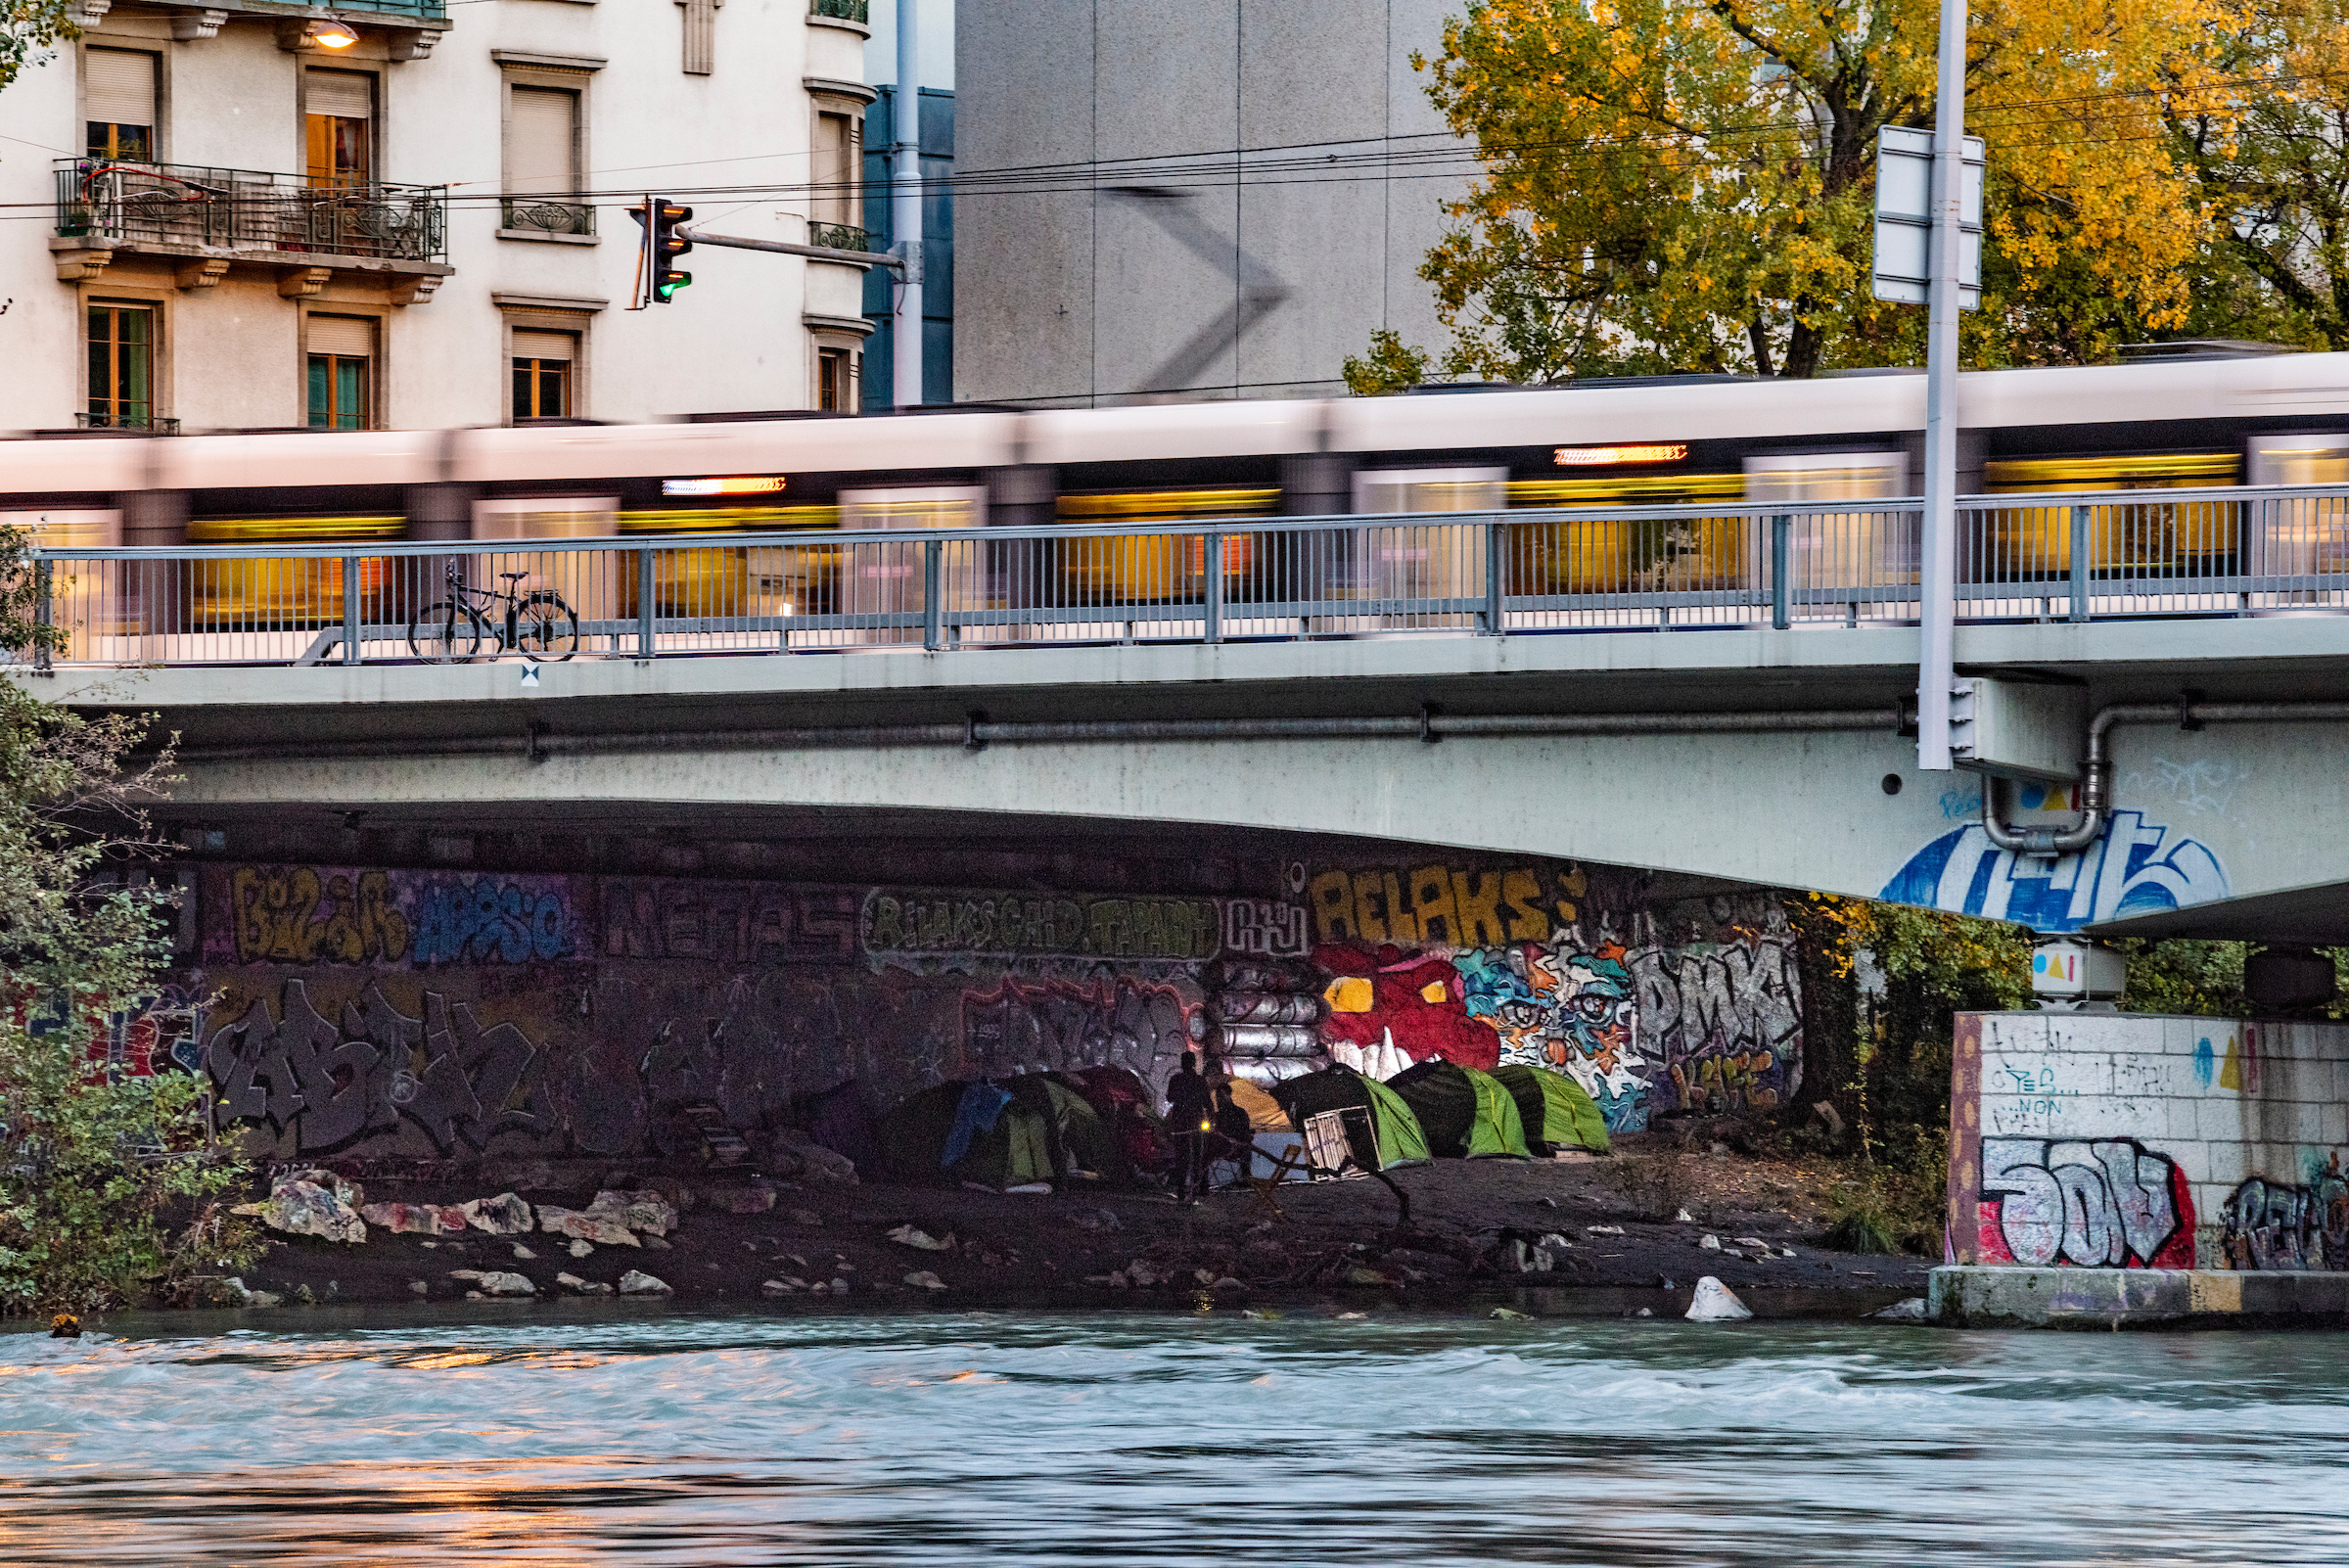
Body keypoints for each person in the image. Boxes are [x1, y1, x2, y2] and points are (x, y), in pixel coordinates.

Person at [1165, 1052, 1214, 1205]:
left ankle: (1180, 1191)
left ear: (1182, 1063)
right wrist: (1211, 1118)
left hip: (1180, 1124)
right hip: (1197, 1124)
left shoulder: (1176, 1079)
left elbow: (1169, 1098)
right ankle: (1194, 1192)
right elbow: (1207, 1102)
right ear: (1193, 1063)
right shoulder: (1200, 1081)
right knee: (1197, 1159)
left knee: (1182, 1158)